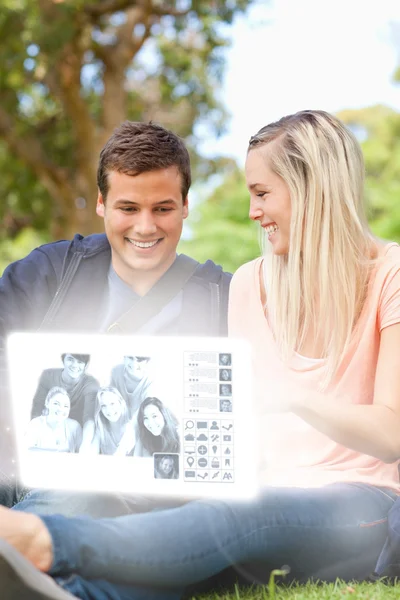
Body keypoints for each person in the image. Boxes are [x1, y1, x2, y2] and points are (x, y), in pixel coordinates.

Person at [3, 109, 400, 599]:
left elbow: (388, 433)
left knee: (223, 517)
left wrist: (283, 398)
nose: (253, 211)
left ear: (310, 188)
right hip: (248, 488)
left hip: (350, 499)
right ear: (103, 204)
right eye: (128, 208)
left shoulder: (387, 276)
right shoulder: (252, 283)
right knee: (184, 549)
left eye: (261, 194)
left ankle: (42, 540)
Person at [0, 121, 231, 512]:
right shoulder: (48, 273)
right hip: (24, 476)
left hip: (154, 499)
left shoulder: (219, 297)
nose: (145, 226)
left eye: (163, 209)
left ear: (186, 205)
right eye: (128, 208)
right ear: (101, 203)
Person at [30, 354, 98, 426]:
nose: (75, 365)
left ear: (86, 365)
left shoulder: (91, 383)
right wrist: (36, 431)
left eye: (80, 362)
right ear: (63, 360)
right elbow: (37, 407)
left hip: (77, 429)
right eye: (70, 359)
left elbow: (89, 418)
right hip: (52, 425)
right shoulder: (48, 375)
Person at [25, 387, 82, 453]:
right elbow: (26, 451)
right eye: (56, 404)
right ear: (47, 403)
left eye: (66, 406)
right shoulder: (35, 424)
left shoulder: (75, 427)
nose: (61, 409)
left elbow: (83, 456)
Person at [79, 387, 134, 456]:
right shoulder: (101, 430)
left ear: (121, 402)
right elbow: (92, 453)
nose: (109, 410)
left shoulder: (131, 426)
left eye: (112, 403)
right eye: (103, 406)